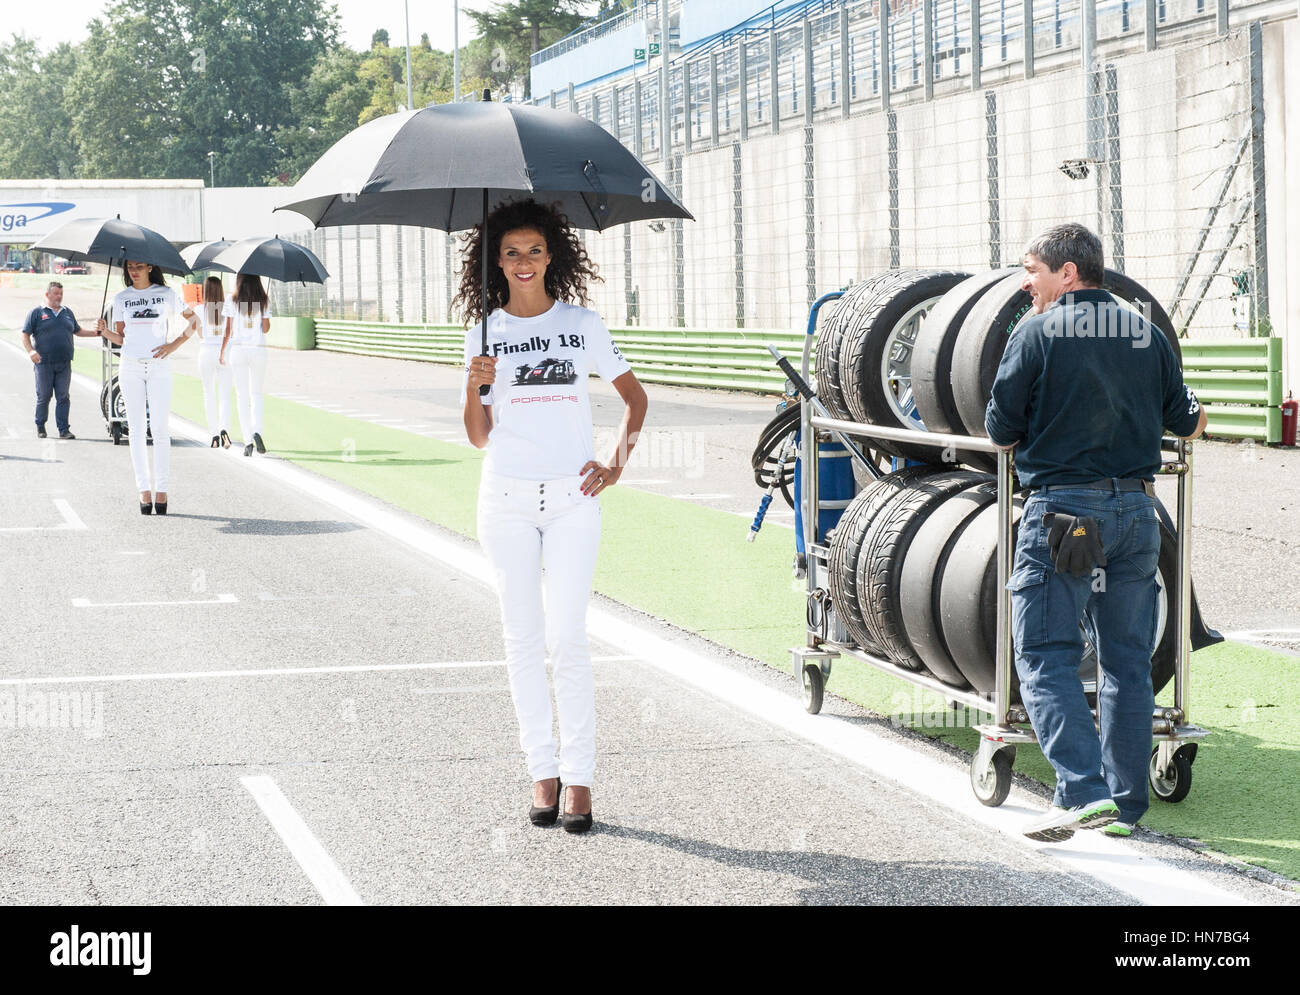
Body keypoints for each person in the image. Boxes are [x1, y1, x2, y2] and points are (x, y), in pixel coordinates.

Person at [984, 223, 1206, 843]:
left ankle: (1082, 792)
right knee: (1128, 664)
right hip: (1138, 513)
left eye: (1032, 271)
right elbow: (1190, 422)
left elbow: (1000, 431)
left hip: (1064, 516)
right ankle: (1125, 807)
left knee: (1046, 655)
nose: (1026, 284)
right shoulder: (1146, 330)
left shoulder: (1035, 331)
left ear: (1068, 273)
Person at [458, 199, 648, 834]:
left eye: (534, 251)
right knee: (522, 639)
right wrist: (473, 385)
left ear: (551, 256)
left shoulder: (582, 325)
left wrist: (615, 462)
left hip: (573, 501)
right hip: (505, 499)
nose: (523, 263)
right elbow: (479, 438)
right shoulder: (483, 333)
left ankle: (582, 779)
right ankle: (542, 771)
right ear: (496, 262)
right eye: (510, 253)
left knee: (566, 637)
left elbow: (634, 398)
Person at [100, 260, 199, 515]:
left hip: (159, 367)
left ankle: (162, 490)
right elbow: (121, 338)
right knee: (135, 430)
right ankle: (143, 490)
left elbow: (195, 321)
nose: (134, 271)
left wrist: (172, 345)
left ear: (151, 268)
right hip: (130, 366)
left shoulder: (165, 294)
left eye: (140, 266)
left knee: (159, 428)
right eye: (131, 267)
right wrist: (104, 331)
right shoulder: (121, 298)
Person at [21, 281, 105, 439]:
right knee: (44, 396)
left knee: (63, 396)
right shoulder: (37, 313)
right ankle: (40, 425)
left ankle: (63, 429)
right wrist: (31, 351)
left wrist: (96, 333)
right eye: (55, 293)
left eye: (61, 293)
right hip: (43, 363)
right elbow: (25, 333)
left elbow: (78, 331)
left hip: (64, 363)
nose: (59, 296)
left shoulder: (67, 312)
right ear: (47, 294)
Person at [220, 273, 272, 457]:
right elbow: (265, 328)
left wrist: (222, 351)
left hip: (238, 350)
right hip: (258, 350)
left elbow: (228, 329)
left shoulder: (231, 300)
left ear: (239, 281)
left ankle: (248, 441)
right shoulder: (263, 299)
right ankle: (257, 430)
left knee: (241, 396)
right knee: (256, 393)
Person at [196, 276, 233, 448]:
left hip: (206, 353)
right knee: (225, 394)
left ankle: (214, 435)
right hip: (224, 353)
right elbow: (231, 333)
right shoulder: (228, 308)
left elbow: (201, 334)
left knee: (208, 393)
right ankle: (224, 428)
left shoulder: (199, 309)